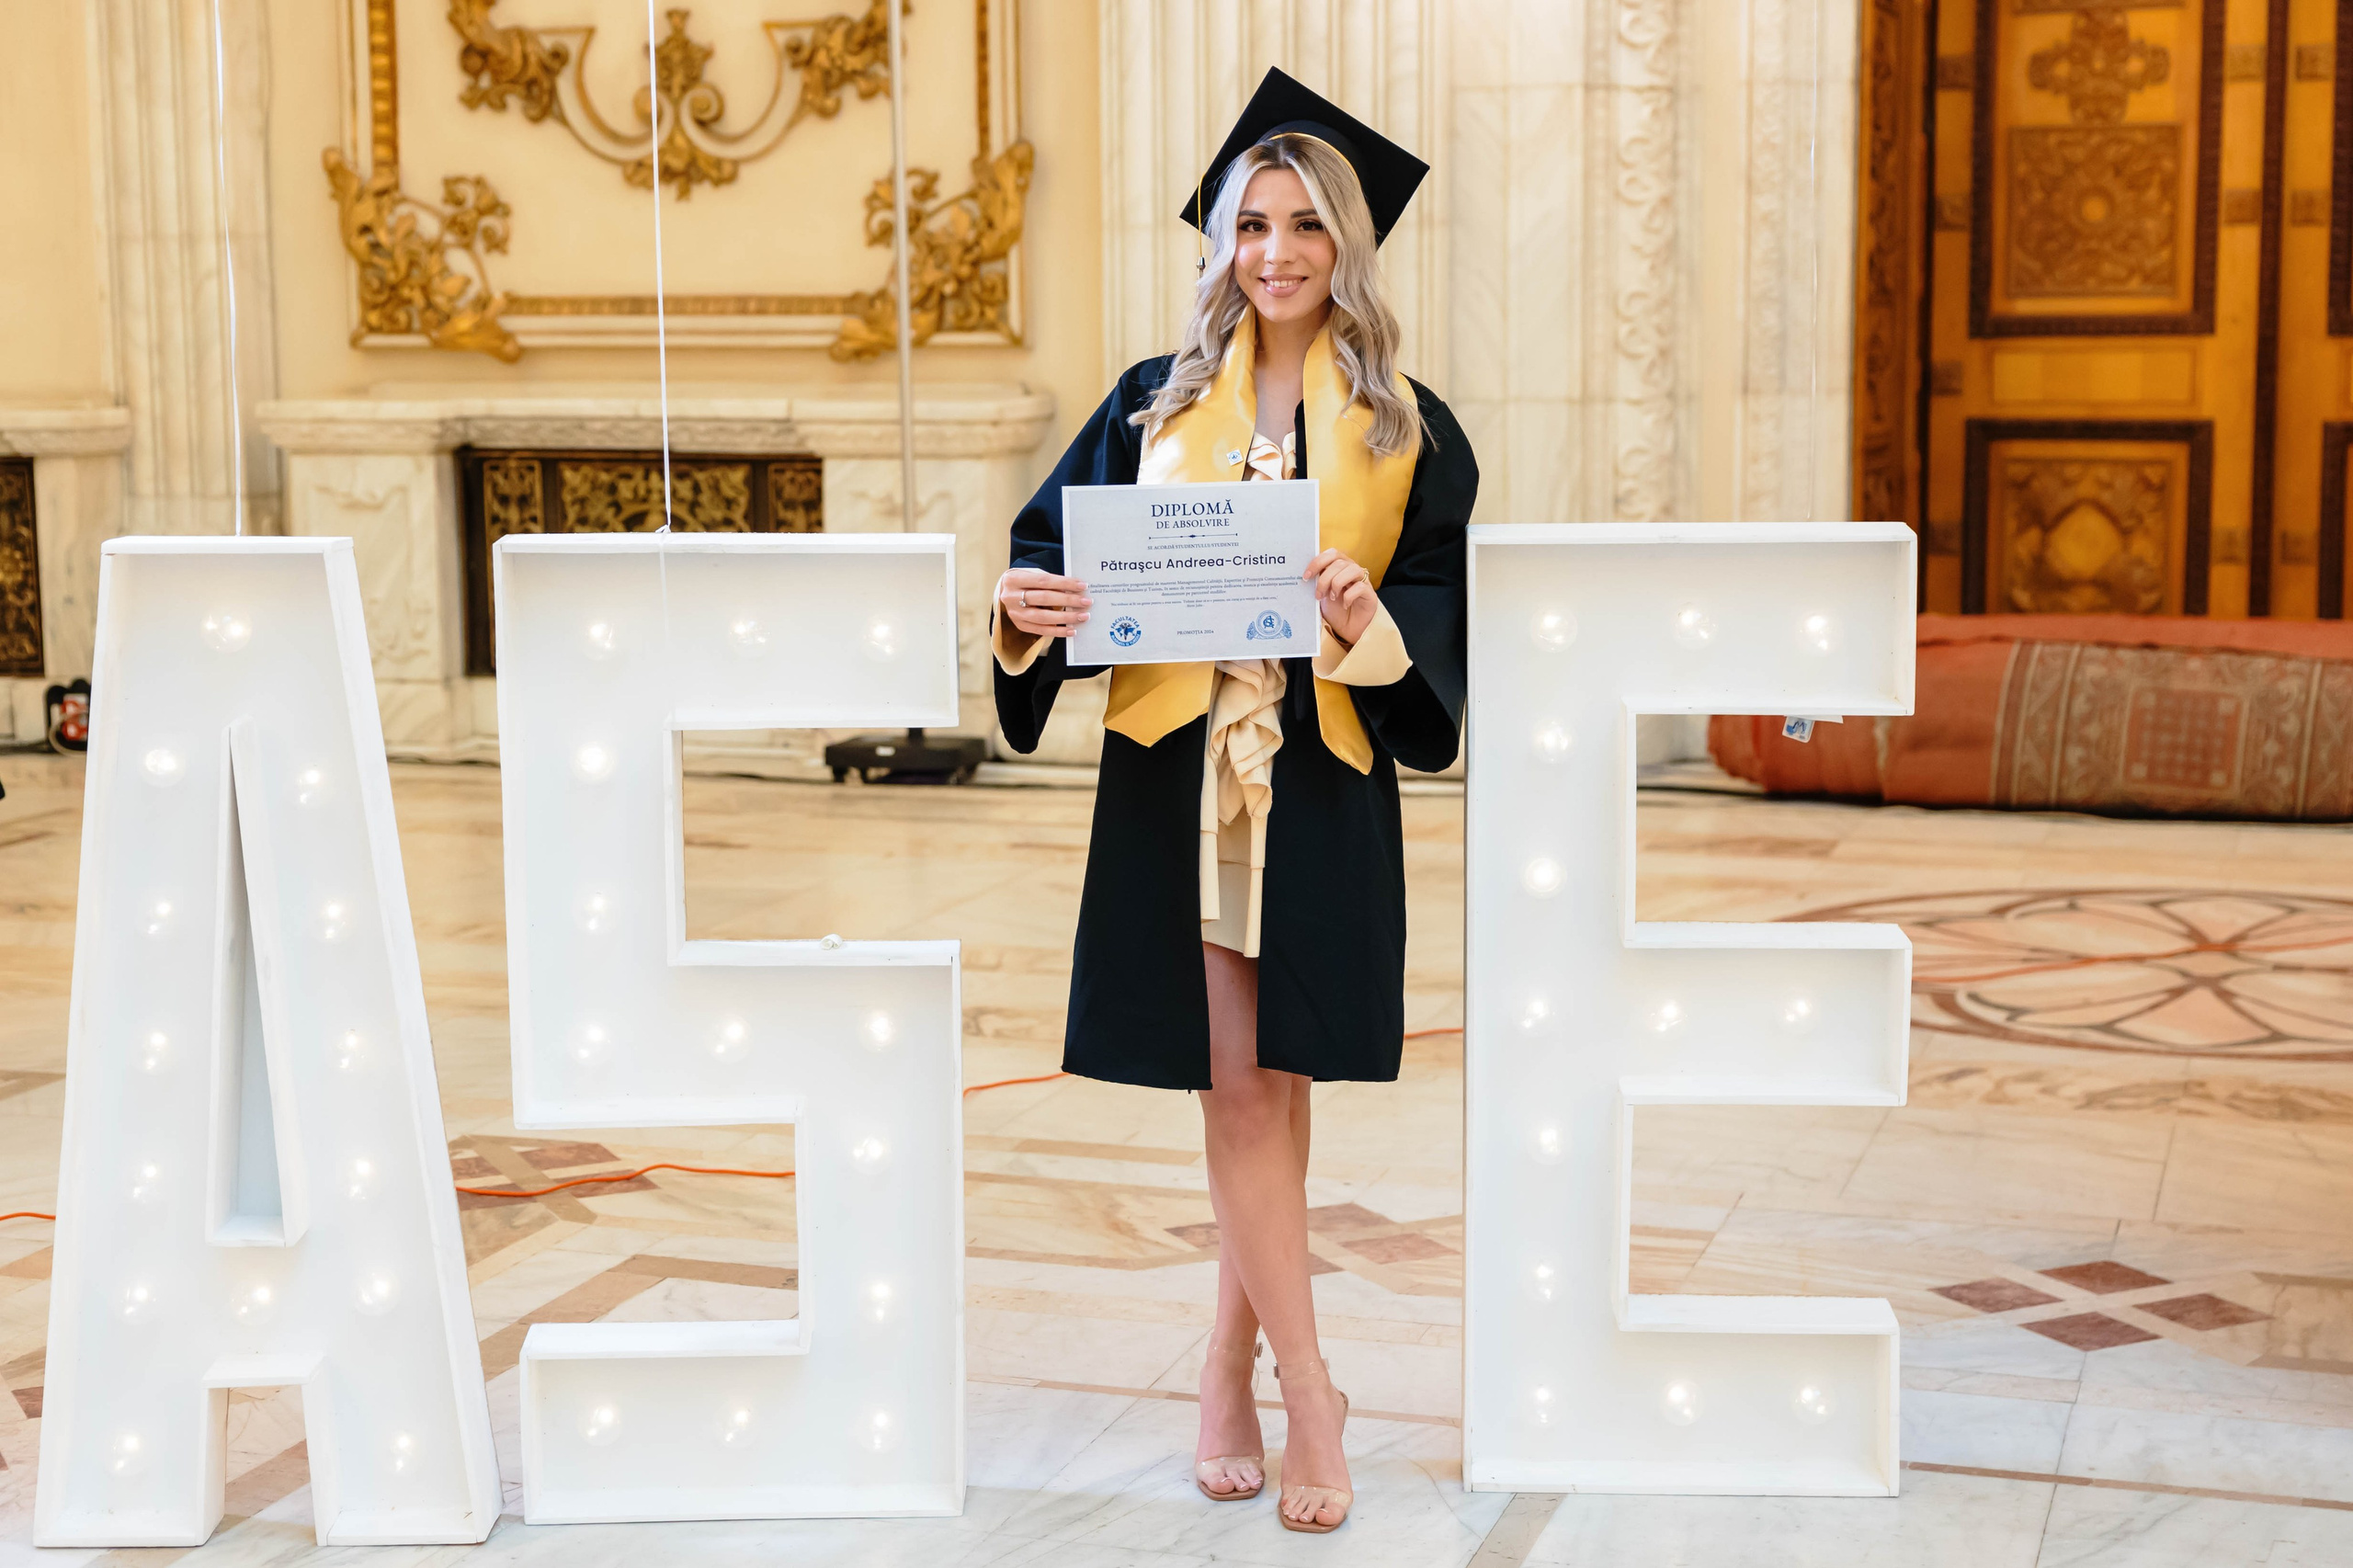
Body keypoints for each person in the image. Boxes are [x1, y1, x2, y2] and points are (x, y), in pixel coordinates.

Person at [991, 69, 1476, 1536]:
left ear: (1347, 245)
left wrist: (1360, 619)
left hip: (1316, 780)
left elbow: (1438, 626)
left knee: (1278, 1080)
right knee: (1238, 1080)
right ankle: (1307, 1386)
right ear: (1219, 241)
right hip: (1181, 779)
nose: (1275, 251)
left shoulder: (1405, 428)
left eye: (1305, 225)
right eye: (1250, 224)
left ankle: (1222, 1357)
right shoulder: (1155, 403)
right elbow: (1044, 561)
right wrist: (1023, 613)